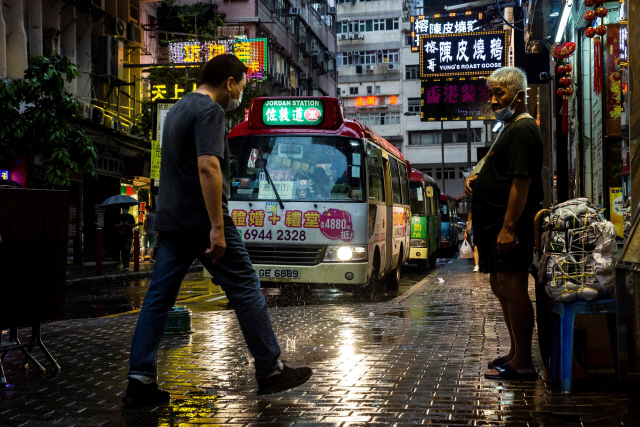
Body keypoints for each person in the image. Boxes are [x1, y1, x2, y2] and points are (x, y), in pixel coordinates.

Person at [123, 54, 312, 407]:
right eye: (240, 84)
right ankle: (270, 369)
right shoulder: (210, 112)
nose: (239, 93)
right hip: (202, 219)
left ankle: (140, 379)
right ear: (229, 82)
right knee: (245, 288)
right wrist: (217, 227)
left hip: (172, 220)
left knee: (157, 300)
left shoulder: (177, 110)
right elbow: (208, 167)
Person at [465, 67, 543, 380]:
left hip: (508, 228)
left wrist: (508, 227)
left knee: (514, 288)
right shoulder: (510, 128)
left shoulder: (523, 128)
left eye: (501, 94)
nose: (494, 100)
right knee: (501, 287)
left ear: (519, 96)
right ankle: (514, 353)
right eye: (492, 94)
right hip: (495, 227)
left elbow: (521, 181)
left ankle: (523, 362)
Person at [116, 206, 135, 271]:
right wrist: (120, 225)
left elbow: (134, 225)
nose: (125, 210)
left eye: (126, 209)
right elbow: (115, 225)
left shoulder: (130, 217)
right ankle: (124, 264)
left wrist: (128, 224)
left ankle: (126, 265)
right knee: (122, 250)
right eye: (124, 208)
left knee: (127, 249)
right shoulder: (119, 217)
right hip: (121, 236)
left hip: (129, 235)